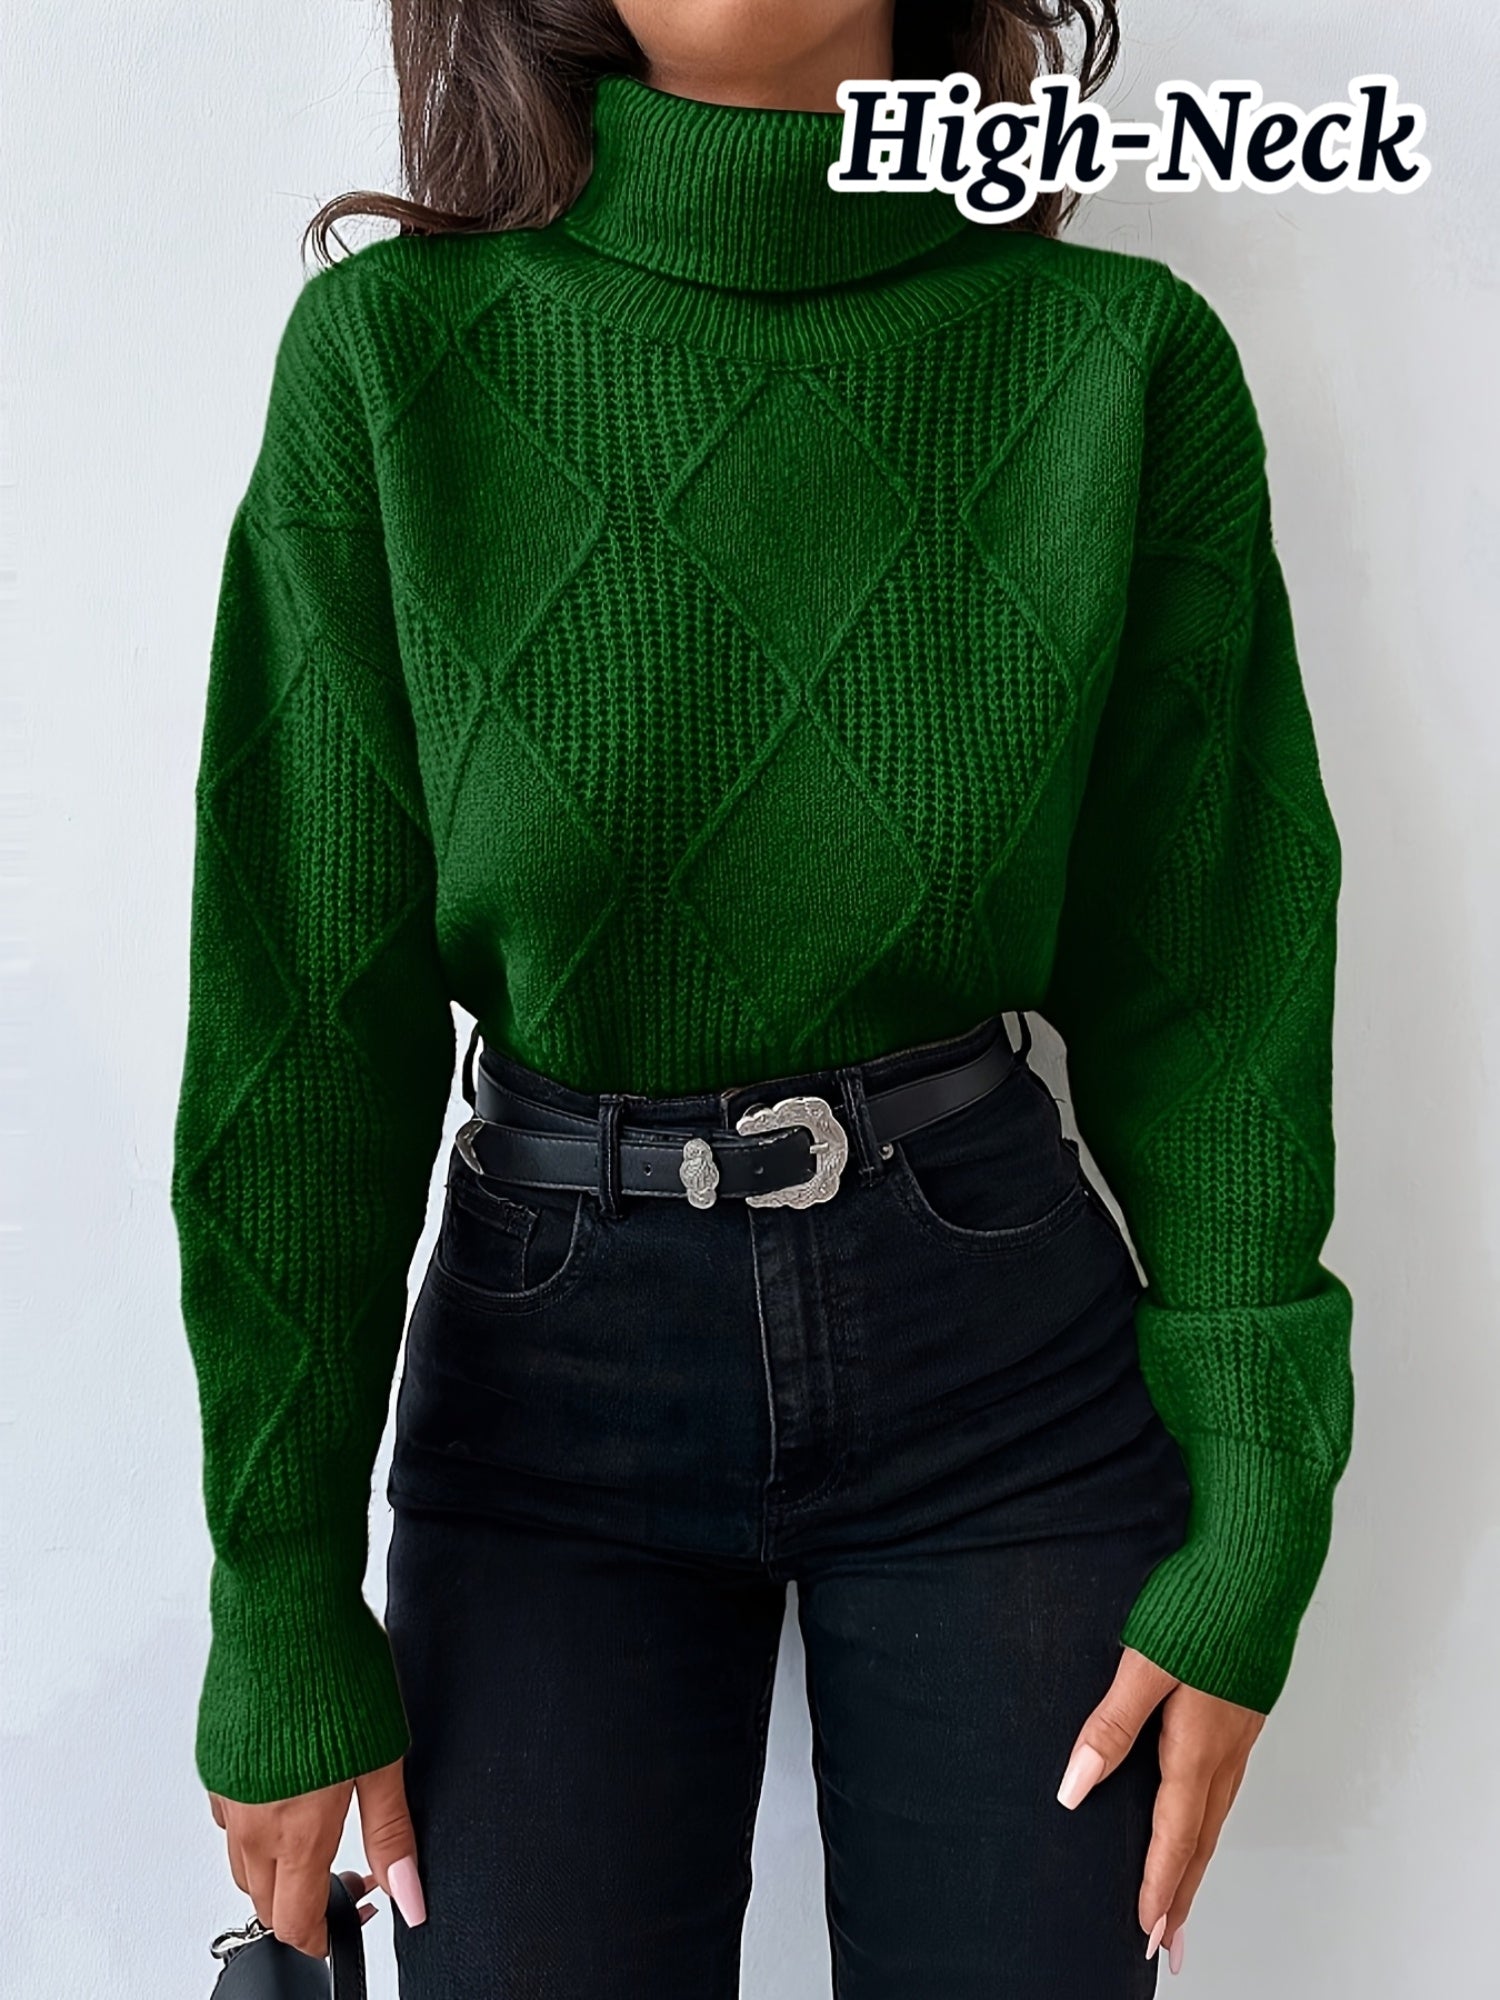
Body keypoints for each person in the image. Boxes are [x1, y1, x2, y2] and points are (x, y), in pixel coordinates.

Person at [169, 2, 1356, 1992]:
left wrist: (1260, 1508)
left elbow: (1214, 981)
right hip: (548, 1388)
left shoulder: (1118, 361)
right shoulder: (390, 365)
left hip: (1003, 1369)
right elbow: (303, 1034)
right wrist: (278, 1592)